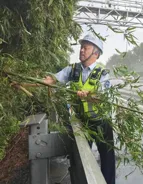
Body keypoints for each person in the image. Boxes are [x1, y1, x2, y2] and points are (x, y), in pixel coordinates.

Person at [43, 34, 115, 184]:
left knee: (107, 160)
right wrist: (33, 83)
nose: (81, 50)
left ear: (96, 53)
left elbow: (104, 95)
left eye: (85, 48)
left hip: (101, 123)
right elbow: (53, 79)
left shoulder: (103, 73)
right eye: (81, 47)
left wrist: (90, 95)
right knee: (81, 158)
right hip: (82, 124)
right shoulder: (73, 70)